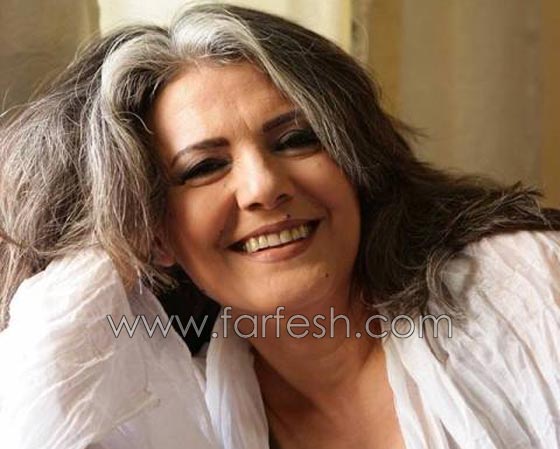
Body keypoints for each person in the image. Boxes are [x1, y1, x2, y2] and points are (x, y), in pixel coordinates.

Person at [1, 4, 559, 449]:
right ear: (154, 233)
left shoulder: (521, 286)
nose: (264, 186)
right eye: (204, 168)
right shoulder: (181, 408)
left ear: (353, 161)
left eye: (296, 139)